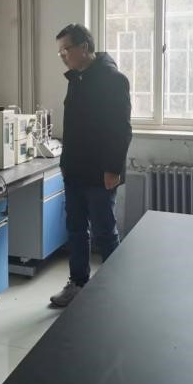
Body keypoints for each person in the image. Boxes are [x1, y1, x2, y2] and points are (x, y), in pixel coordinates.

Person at [50, 24, 132, 308]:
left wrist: (113, 169)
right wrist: (65, 163)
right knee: (75, 229)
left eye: (66, 49)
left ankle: (114, 289)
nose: (63, 56)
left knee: (104, 231)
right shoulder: (76, 79)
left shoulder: (113, 80)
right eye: (60, 51)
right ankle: (78, 283)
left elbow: (121, 130)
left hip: (101, 172)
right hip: (74, 170)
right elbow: (74, 129)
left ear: (84, 47)